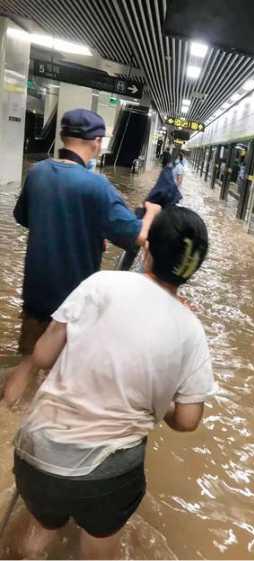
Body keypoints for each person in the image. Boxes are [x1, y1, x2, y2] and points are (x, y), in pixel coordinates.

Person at [10, 206, 214, 559]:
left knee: (40, 529)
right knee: (98, 556)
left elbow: (43, 353)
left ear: (147, 248)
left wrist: (26, 371)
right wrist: (159, 403)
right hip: (108, 474)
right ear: (193, 270)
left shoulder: (101, 283)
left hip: (38, 448)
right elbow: (188, 420)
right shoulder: (191, 329)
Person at [2, 109, 155, 405]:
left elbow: (23, 217)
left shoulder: (37, 173)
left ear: (63, 136)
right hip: (73, 308)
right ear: (97, 142)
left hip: (35, 297)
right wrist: (151, 213)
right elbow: (138, 237)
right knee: (60, 383)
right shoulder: (97, 187)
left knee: (27, 366)